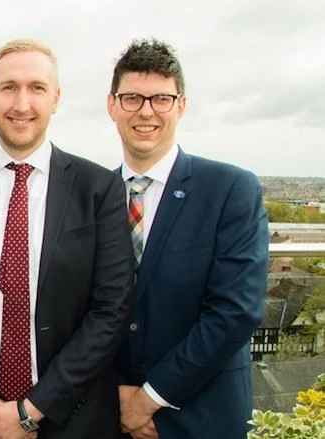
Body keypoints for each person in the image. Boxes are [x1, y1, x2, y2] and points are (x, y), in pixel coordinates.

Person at [0, 38, 134, 439]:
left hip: (74, 418)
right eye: (8, 87)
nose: (22, 104)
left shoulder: (98, 188)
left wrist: (31, 411)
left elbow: (111, 310)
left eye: (36, 88)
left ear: (56, 98)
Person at [108, 38, 268, 439]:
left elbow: (236, 311)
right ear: (112, 105)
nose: (146, 111)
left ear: (181, 105)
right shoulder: (93, 195)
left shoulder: (231, 189)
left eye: (161, 98)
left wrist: (148, 400)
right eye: (132, 98)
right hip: (109, 416)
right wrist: (116, 399)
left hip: (200, 417)